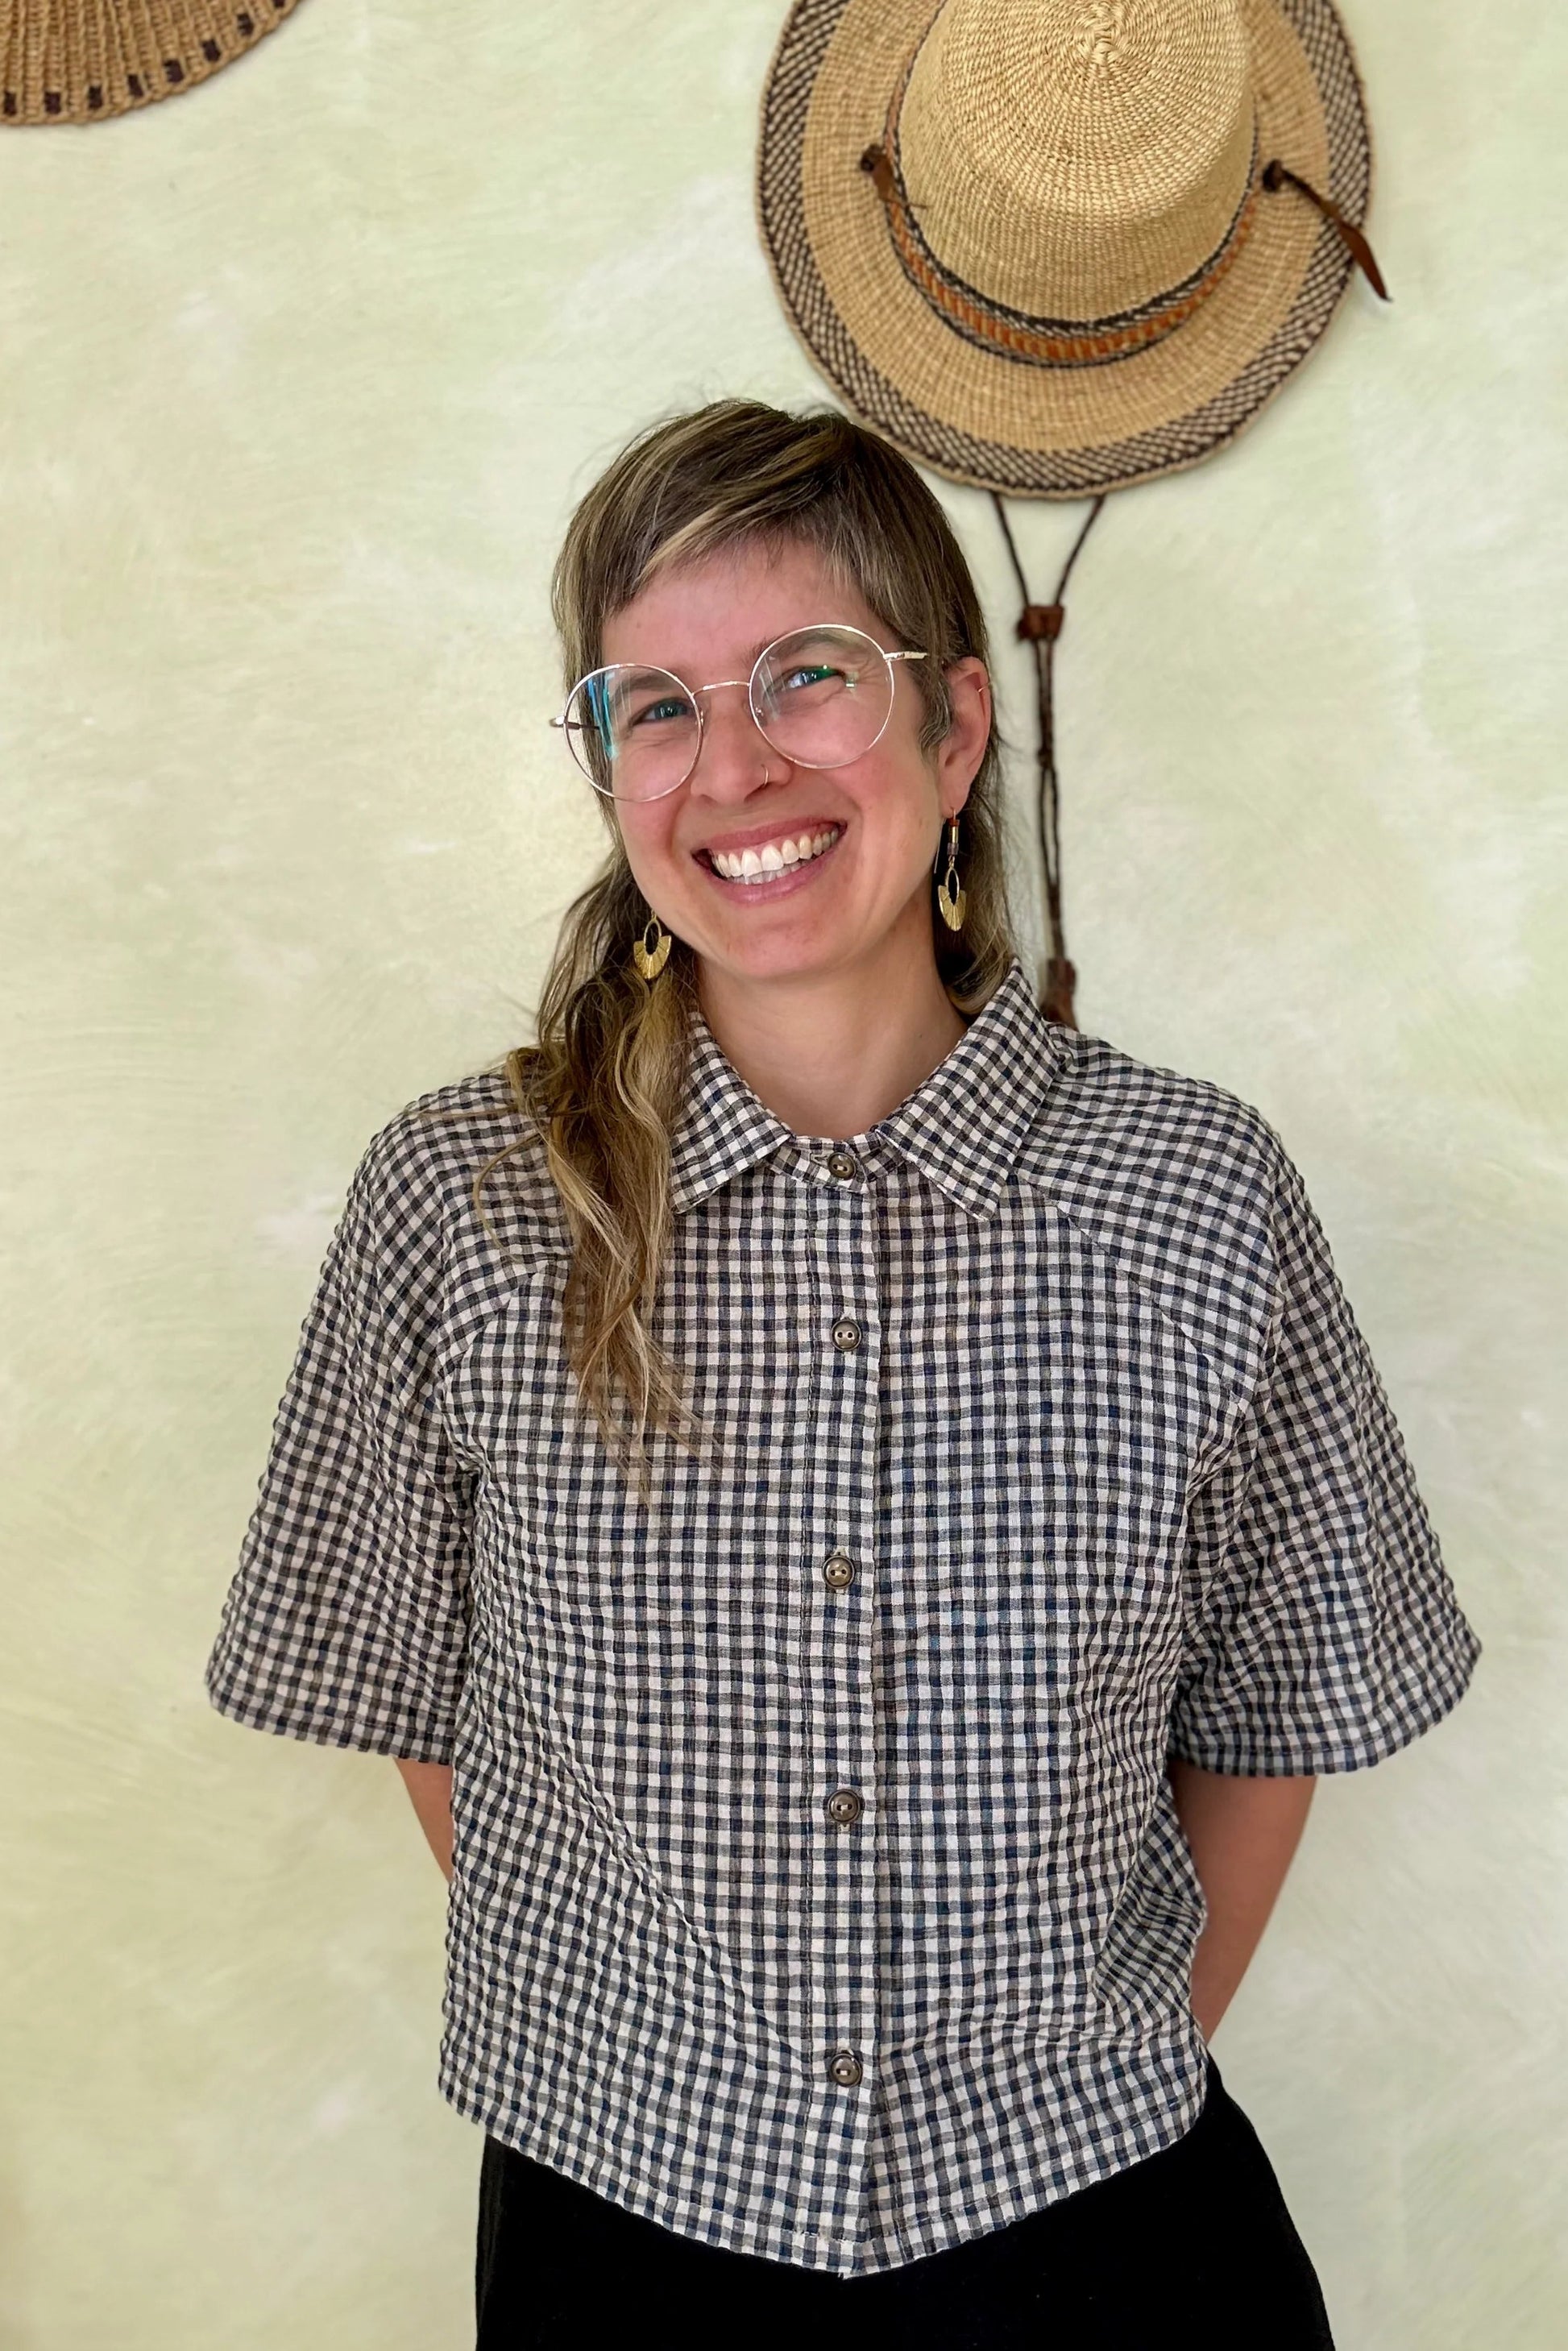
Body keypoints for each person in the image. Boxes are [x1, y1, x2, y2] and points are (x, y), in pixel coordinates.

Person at [205, 400, 1482, 2349]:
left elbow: (1276, 1704)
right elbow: (423, 1690)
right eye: (655, 704)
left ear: (953, 729)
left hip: (1096, 2236)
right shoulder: (460, 1206)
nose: (732, 767)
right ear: (607, 766)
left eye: (807, 676)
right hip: (620, 2234)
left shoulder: (1194, 1195)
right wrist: (676, 2043)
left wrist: (1050, 2076)